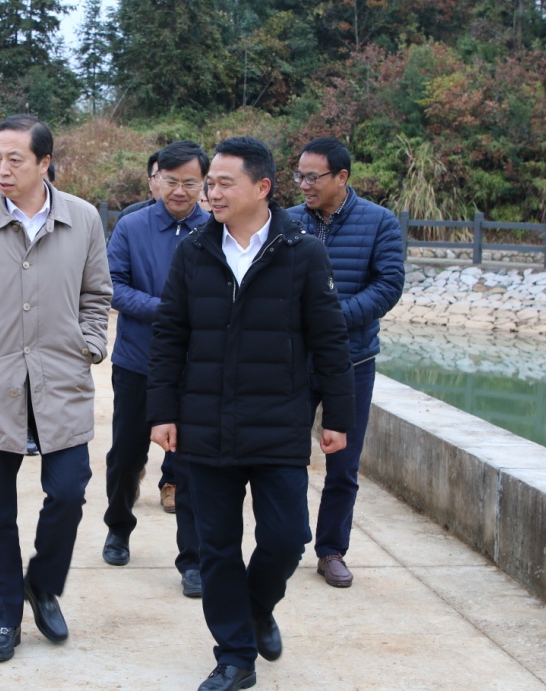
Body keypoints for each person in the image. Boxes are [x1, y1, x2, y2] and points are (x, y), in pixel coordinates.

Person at [148, 136, 354, 691]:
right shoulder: (195, 250)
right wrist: (162, 410)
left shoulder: (302, 252)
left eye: (223, 183)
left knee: (288, 539)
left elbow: (330, 341)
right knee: (216, 548)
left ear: (262, 187)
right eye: (209, 183)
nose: (211, 193)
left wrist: (337, 417)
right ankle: (235, 656)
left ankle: (257, 608)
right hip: (204, 425)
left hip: (278, 423)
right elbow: (169, 337)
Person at [0, 114, 112, 663]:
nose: (2, 169)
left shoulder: (82, 218)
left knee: (69, 491)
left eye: (15, 159)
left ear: (44, 162)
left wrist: (90, 343)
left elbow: (96, 294)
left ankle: (43, 585)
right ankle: (5, 616)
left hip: (61, 379)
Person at [287, 137, 405, 588]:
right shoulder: (287, 221)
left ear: (342, 177)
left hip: (353, 360)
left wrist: (332, 318)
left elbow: (388, 285)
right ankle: (287, 540)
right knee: (286, 456)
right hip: (293, 361)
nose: (304, 185)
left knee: (343, 464)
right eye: (299, 176)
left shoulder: (380, 222)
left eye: (313, 177)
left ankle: (331, 550)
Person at [102, 140, 207, 600]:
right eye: (171, 180)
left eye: (190, 182)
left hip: (196, 368)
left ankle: (193, 559)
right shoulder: (131, 226)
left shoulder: (217, 229)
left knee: (191, 464)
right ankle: (118, 526)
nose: (179, 190)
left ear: (204, 185)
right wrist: (167, 310)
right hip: (137, 362)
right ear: (155, 180)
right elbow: (112, 285)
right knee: (127, 456)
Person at [118, 150, 162, 219]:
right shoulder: (129, 216)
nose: (164, 182)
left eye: (170, 177)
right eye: (158, 176)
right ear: (150, 183)